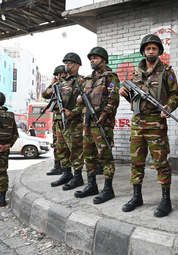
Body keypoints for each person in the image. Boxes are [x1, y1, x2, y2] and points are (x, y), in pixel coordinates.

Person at [119, 34, 178, 217]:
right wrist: (125, 93)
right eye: (148, 48)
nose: (151, 51)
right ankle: (136, 196)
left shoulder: (167, 71)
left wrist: (168, 107)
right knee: (136, 162)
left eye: (154, 48)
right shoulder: (136, 74)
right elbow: (134, 99)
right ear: (143, 51)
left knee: (161, 163)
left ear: (159, 51)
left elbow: (175, 95)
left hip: (156, 123)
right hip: (137, 122)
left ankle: (166, 200)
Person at [74, 47, 120, 204]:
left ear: (103, 59)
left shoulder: (111, 77)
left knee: (105, 156)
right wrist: (80, 101)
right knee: (89, 155)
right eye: (91, 58)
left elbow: (114, 99)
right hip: (87, 123)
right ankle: (92, 185)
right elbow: (83, 100)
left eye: (95, 58)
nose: (92, 60)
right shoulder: (87, 79)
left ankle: (108, 189)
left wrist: (105, 114)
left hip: (102, 123)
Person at [49, 53, 85, 191]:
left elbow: (86, 102)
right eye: (66, 63)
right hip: (59, 120)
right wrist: (53, 81)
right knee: (61, 148)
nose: (67, 65)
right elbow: (47, 94)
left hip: (74, 122)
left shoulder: (82, 80)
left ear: (77, 65)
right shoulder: (61, 82)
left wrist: (74, 112)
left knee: (75, 150)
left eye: (70, 62)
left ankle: (77, 176)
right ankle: (66, 173)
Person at [0, 92, 19, 207]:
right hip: (5, 149)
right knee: (2, 172)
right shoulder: (10, 115)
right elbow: (15, 134)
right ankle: (2, 200)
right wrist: (8, 145)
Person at [42, 65, 67, 175]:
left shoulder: (67, 84)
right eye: (55, 75)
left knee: (67, 144)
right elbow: (45, 95)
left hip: (66, 117)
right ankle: (57, 166)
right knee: (57, 143)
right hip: (56, 119)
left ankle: (67, 168)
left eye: (58, 74)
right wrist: (52, 83)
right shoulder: (55, 85)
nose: (56, 77)